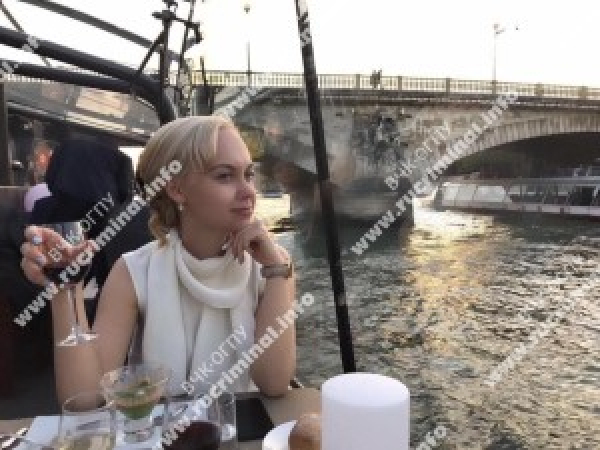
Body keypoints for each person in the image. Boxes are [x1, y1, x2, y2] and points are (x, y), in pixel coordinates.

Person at [20, 116, 296, 404]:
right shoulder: (134, 270)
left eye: (248, 175)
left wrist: (277, 271)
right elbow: (85, 399)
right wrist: (64, 287)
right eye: (225, 176)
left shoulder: (273, 265)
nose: (249, 191)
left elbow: (274, 383)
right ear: (177, 189)